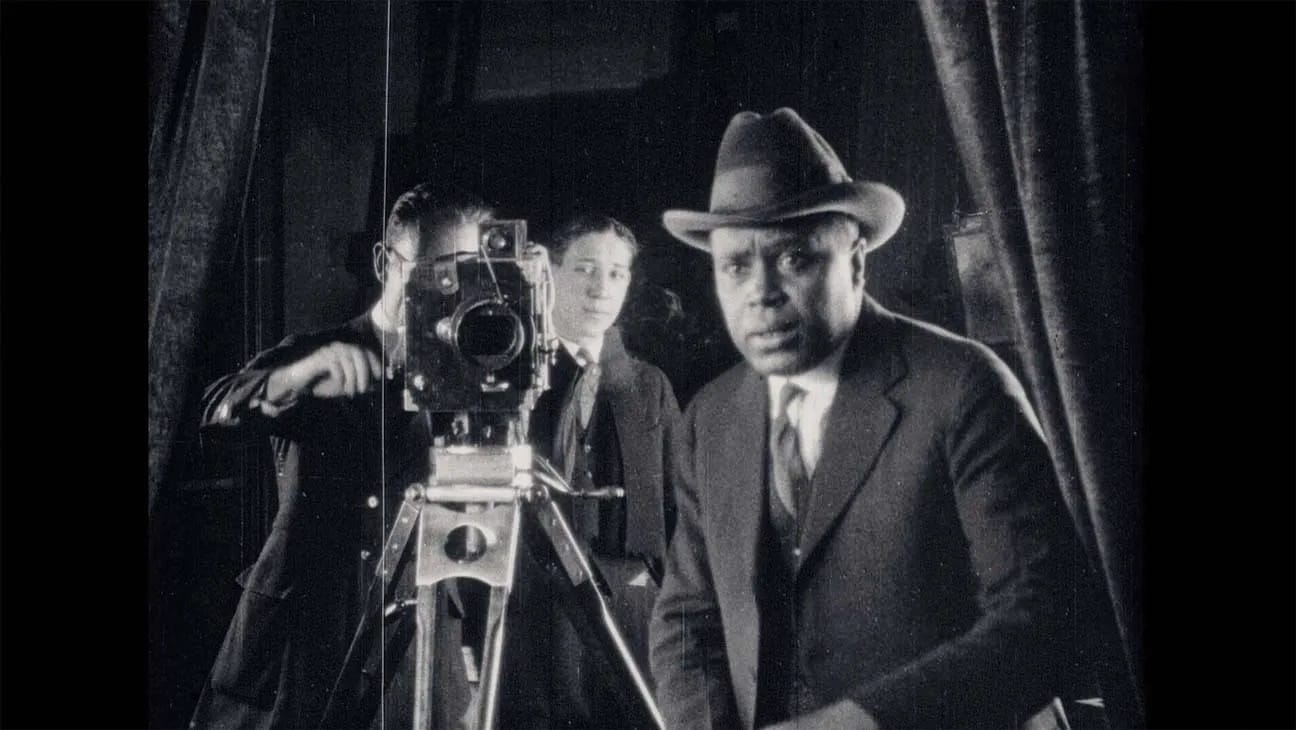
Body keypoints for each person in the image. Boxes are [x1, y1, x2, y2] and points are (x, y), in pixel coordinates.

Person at [650, 108, 1087, 729]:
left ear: (857, 261)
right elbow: (687, 620)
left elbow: (1045, 619)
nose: (761, 292)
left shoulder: (962, 385)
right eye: (736, 267)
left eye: (795, 259)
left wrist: (854, 724)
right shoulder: (710, 416)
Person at [189, 183, 494, 730]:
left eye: (468, 271)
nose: (450, 290)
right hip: (306, 641)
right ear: (385, 262)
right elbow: (218, 413)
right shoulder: (315, 353)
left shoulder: (482, 375)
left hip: (417, 646)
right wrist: (293, 378)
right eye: (434, 269)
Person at [491, 214, 682, 728]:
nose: (602, 288)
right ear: (549, 271)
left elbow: (681, 506)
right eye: (585, 269)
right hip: (533, 603)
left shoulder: (650, 386)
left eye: (618, 273)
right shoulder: (504, 374)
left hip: (631, 605)